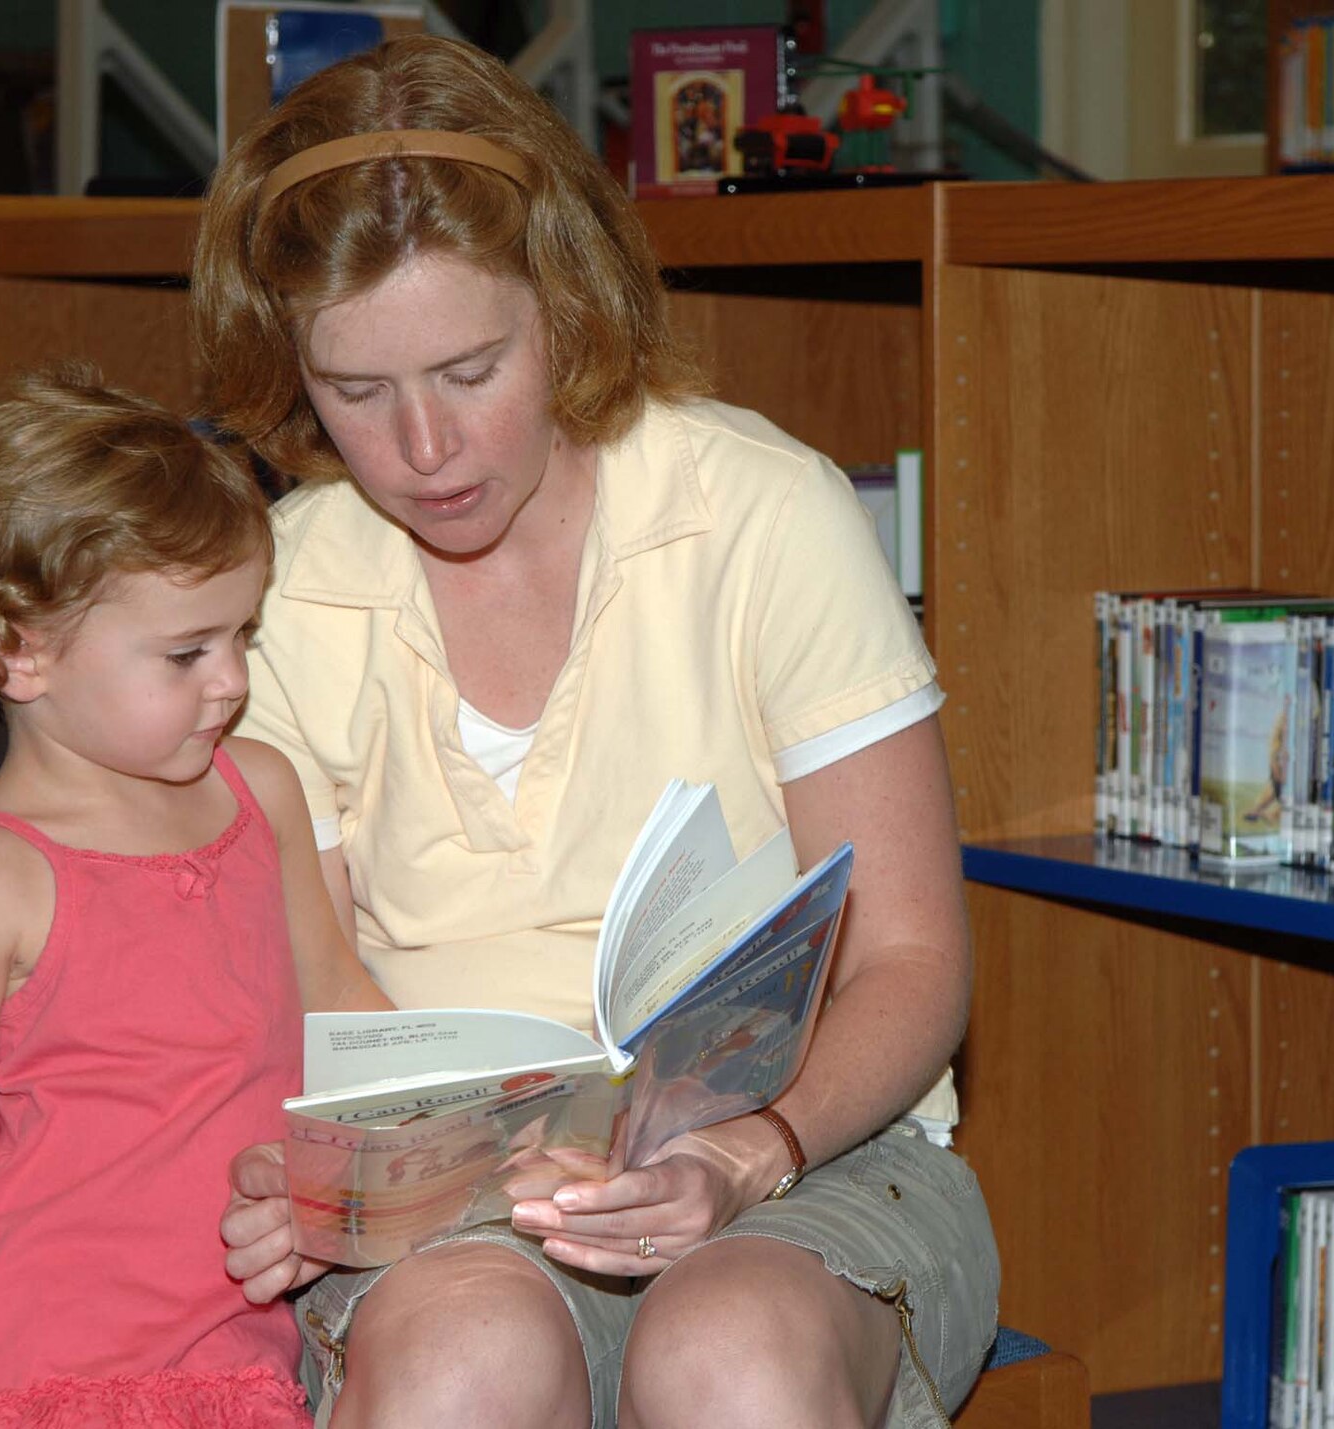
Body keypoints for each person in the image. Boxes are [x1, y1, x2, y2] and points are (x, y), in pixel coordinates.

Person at [191, 33, 999, 1429]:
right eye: (358, 393)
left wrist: (753, 1151)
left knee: (733, 1357)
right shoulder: (289, 580)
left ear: (564, 304)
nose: (425, 449)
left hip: (816, 1150)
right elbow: (302, 1000)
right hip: (443, 1192)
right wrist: (311, 1176)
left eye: (469, 366)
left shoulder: (760, 511)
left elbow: (916, 956)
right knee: (458, 1362)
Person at [0, 367, 391, 1428]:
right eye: (186, 651)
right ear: (19, 648)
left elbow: (342, 1004)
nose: (232, 680)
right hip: (36, 1364)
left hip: (234, 1341)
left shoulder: (266, 792)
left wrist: (473, 1113)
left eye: (242, 635)